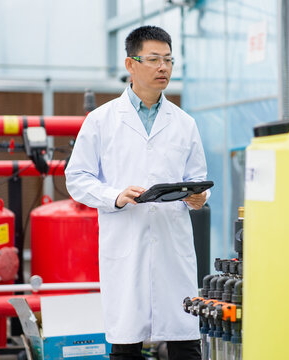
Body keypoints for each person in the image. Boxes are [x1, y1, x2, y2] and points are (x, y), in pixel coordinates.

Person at [65, 25, 208, 360]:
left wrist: (199, 197)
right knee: (125, 345)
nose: (164, 68)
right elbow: (77, 177)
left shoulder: (184, 122)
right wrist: (114, 196)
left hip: (173, 245)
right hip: (125, 242)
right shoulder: (102, 120)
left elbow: (198, 177)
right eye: (154, 59)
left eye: (169, 60)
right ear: (131, 65)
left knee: (185, 342)